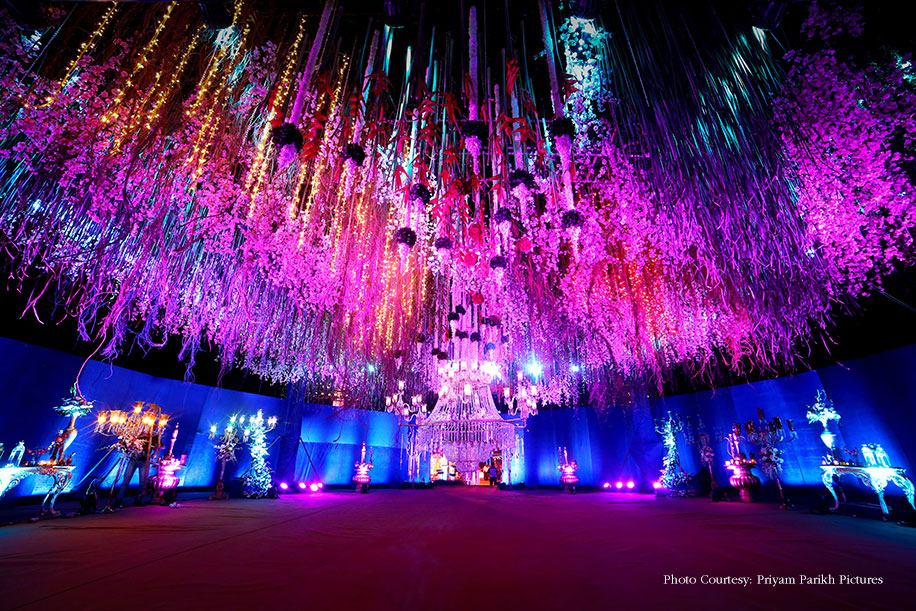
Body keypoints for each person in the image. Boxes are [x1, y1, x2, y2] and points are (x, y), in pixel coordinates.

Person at [116, 433, 160, 507]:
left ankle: (139, 500)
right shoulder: (138, 434)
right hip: (133, 459)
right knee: (126, 480)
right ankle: (119, 500)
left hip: (144, 461)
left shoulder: (154, 436)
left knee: (143, 482)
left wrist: (155, 447)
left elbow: (162, 446)